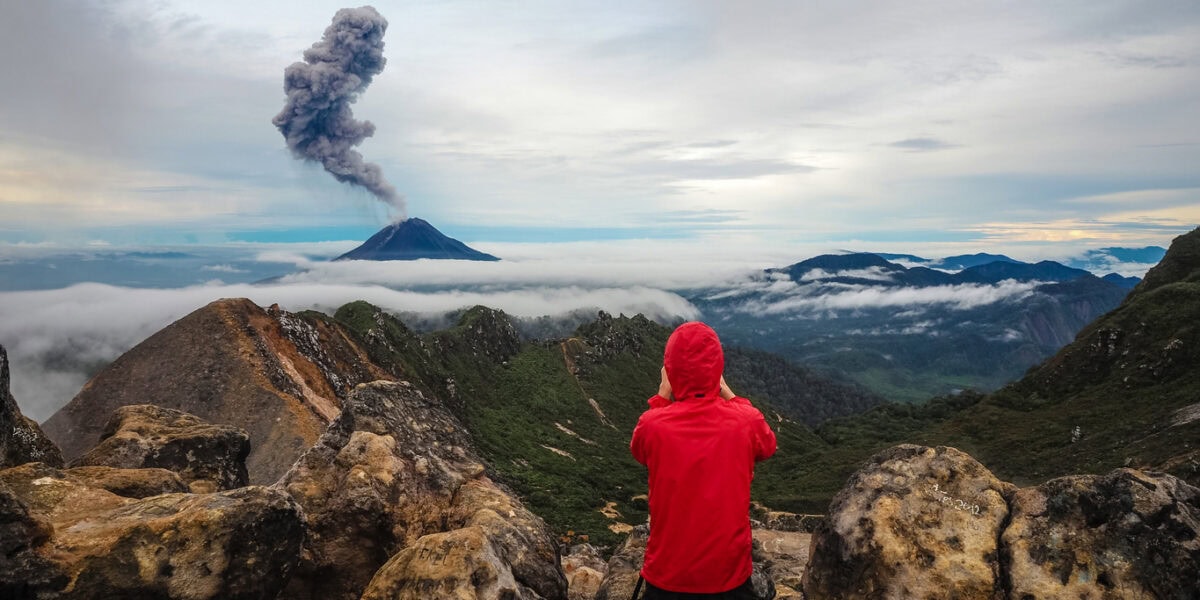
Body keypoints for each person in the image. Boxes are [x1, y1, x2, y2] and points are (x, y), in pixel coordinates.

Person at [630, 322, 777, 599]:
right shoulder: (745, 421)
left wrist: (663, 395)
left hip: (667, 576)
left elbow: (639, 450)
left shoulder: (652, 425)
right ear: (717, 369)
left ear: (670, 371)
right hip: (728, 575)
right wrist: (727, 392)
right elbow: (767, 445)